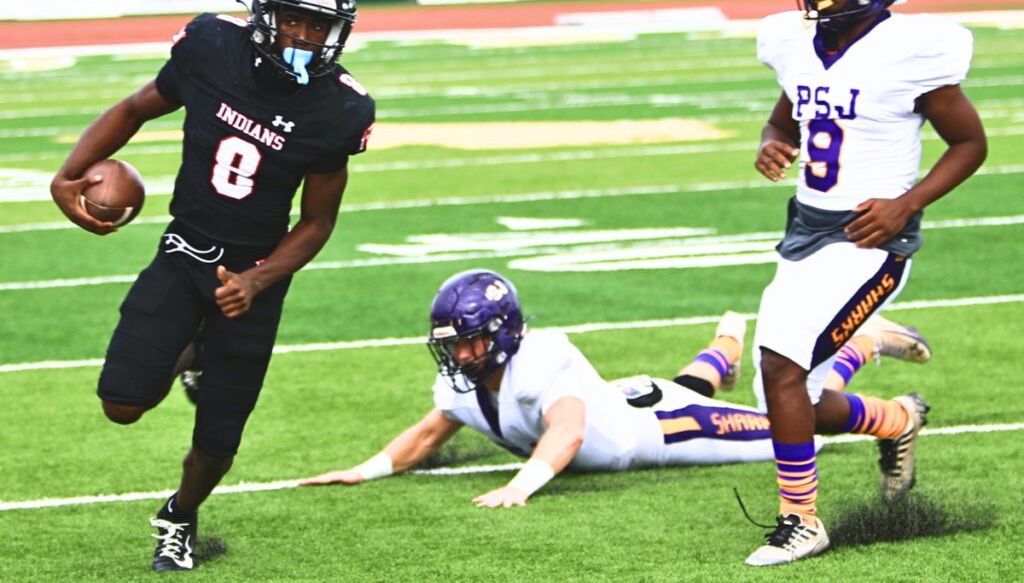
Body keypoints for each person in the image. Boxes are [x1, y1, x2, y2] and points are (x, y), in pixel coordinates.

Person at [50, 0, 375, 572]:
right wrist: (68, 175)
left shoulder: (340, 107)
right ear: (264, 12)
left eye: (319, 24)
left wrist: (257, 280)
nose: (304, 35)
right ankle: (194, 349)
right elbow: (135, 107)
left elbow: (317, 221)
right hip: (183, 251)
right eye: (292, 18)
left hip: (255, 278)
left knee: (220, 436)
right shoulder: (212, 47)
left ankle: (180, 515)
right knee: (122, 404)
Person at [746, 0, 987, 566]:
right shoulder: (795, 42)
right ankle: (897, 418)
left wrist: (907, 203)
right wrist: (772, 143)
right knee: (782, 395)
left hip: (869, 239)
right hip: (805, 229)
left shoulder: (912, 50)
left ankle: (800, 521)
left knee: (781, 365)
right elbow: (787, 117)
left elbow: (970, 143)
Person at [299, 269, 930, 508]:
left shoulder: (540, 357)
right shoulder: (466, 378)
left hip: (664, 430)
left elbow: (569, 431)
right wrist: (364, 470)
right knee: (685, 387)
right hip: (635, 401)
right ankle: (726, 345)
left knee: (792, 428)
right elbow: (429, 431)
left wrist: (520, 486)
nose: (460, 355)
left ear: (503, 331)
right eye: (453, 343)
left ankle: (866, 357)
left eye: (469, 341)